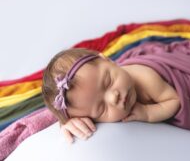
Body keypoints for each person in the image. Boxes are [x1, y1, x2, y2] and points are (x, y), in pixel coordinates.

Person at [42, 48, 181, 143]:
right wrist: (67, 123)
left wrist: (147, 112)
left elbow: (174, 100)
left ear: (107, 60)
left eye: (108, 82)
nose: (113, 98)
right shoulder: (85, 102)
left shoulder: (147, 78)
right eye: (101, 108)